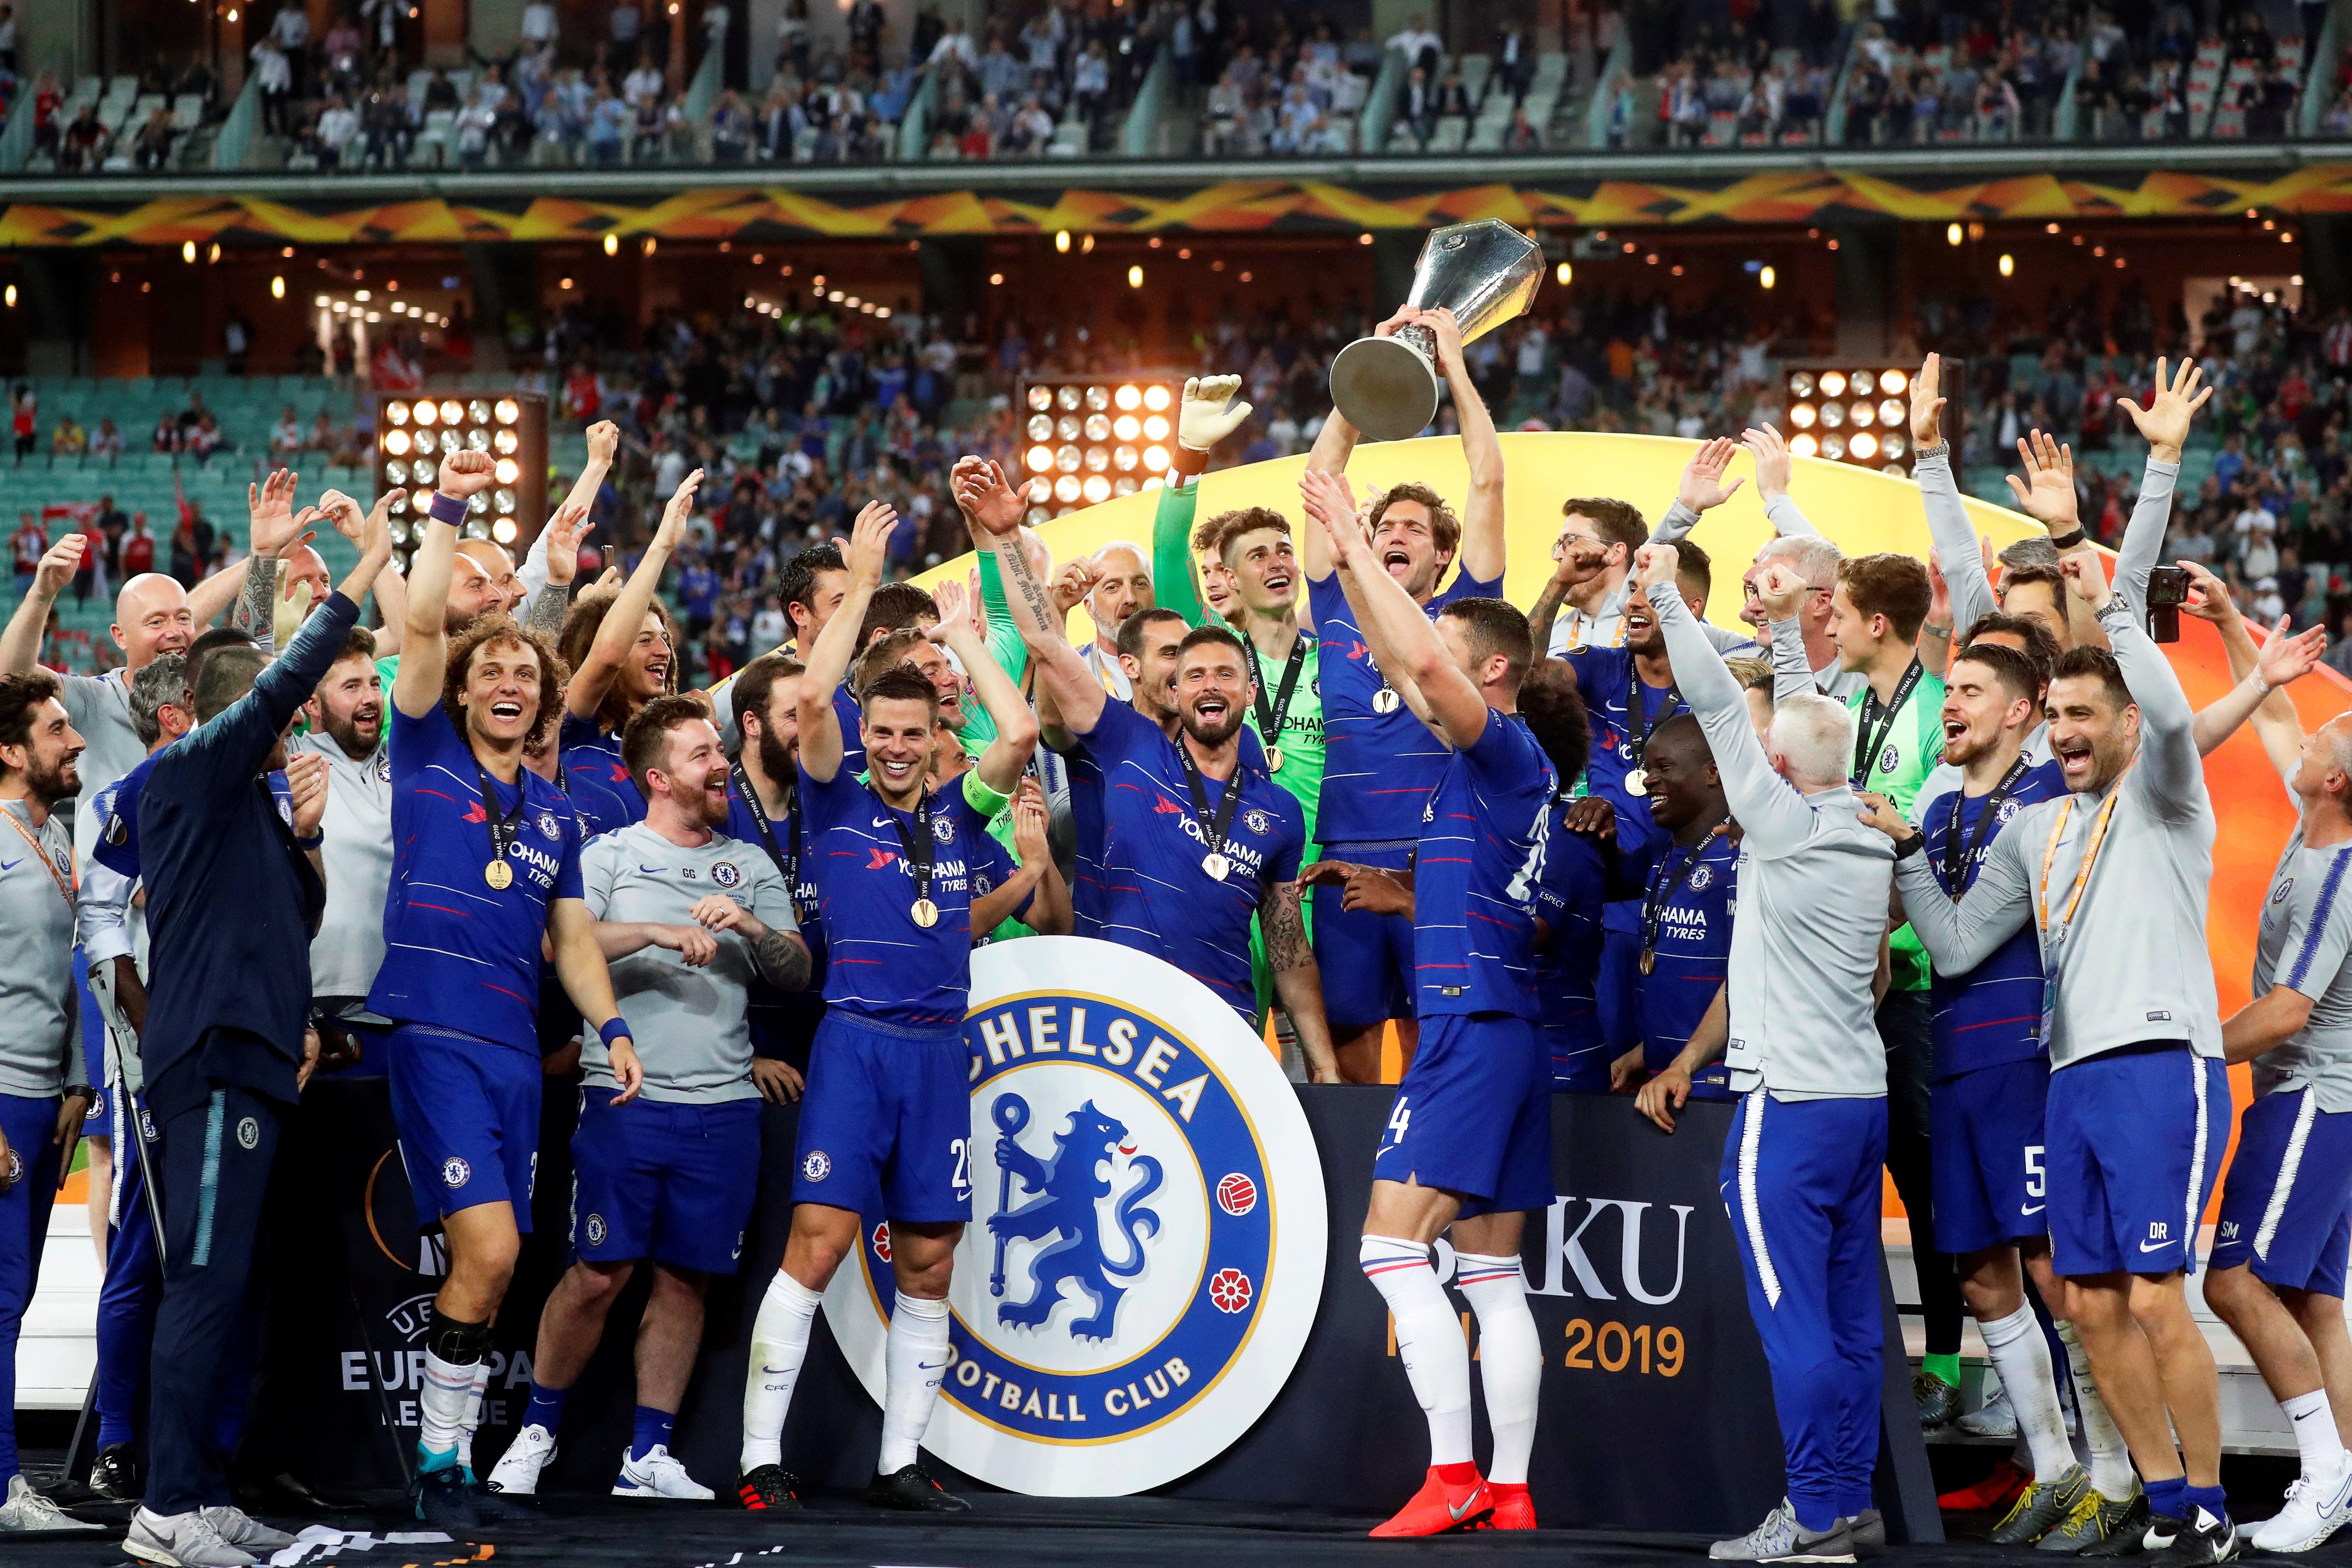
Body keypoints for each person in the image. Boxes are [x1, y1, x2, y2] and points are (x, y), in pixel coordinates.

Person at [1874, 546, 2320, 1562]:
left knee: (2153, 1293)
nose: (2069, 729)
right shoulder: (2034, 830)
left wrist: (2110, 565)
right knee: (2087, 1299)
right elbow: (1952, 945)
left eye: (2087, 714)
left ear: (2126, 727)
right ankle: (2158, 1496)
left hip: (2160, 1068)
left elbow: (2169, 712)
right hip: (2067, 1077)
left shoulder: (2167, 797)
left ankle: (2205, 1504)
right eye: (2060, 714)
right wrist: (1902, 847)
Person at [735, 499, 1036, 1514]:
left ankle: (899, 1462)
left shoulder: (958, 814)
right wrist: (863, 584)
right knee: (817, 1245)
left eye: (915, 731)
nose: (900, 747)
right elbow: (812, 701)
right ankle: (759, 1460)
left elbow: (1021, 731)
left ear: (936, 731)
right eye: (885, 732)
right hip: (856, 1047)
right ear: (864, 734)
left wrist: (962, 641)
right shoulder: (835, 798)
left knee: (929, 1260)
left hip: (939, 1054)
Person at [1302, 465, 1581, 1535]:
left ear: (1493, 670)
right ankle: (1510, 1490)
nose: (1424, 662)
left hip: (1468, 1028)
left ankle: (1452, 1475)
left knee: (1388, 1249)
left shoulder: (1501, 753)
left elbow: (1417, 657)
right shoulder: (1501, 771)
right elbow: (1400, 658)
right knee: (1492, 1273)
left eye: (1449, 648)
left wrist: (1350, 540)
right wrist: (1352, 569)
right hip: (1507, 1027)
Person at [371, 449, 644, 1530]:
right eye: (491, 671)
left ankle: (444, 1454)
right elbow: (423, 624)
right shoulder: (423, 753)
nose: (507, 685)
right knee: (487, 1249)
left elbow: (571, 939)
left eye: (524, 676)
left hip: (515, 1052)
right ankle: (439, 1460)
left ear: (541, 702)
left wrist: (610, 1024)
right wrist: (447, 506)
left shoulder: (558, 815)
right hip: (433, 1030)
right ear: (465, 689)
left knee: (501, 1261)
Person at [124, 498, 392, 1568]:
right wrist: (362, 571)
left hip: (258, 1059)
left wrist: (311, 834)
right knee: (202, 1285)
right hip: (215, 1058)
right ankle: (164, 1510)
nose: (290, 727)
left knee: (230, 1284)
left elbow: (300, 921)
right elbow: (282, 682)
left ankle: (201, 1487)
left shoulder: (253, 809)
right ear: (231, 715)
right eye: (273, 714)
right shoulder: (189, 773)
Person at [1645, 545, 1894, 1565]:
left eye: (1763, 753)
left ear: (1777, 770)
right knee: (1850, 1318)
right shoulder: (1866, 824)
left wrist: (1664, 596)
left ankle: (1813, 1513)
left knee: (1794, 1323)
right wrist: (1790, 634)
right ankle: (1850, 1502)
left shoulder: (1781, 830)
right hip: (1859, 1102)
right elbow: (1801, 714)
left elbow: (1713, 701)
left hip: (1785, 1109)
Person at [493, 697, 808, 1504]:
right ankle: (537, 1434)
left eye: (719, 751)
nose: (722, 765)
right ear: (659, 778)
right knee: (599, 1275)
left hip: (725, 1105)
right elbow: (556, 943)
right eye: (703, 755)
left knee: (685, 1280)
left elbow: (797, 969)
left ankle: (649, 1455)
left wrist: (749, 925)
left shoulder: (750, 863)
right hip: (625, 1096)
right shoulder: (608, 855)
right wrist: (655, 932)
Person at [965, 457, 1337, 1075]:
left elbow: (1288, 948)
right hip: (1126, 1016)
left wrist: (1324, 1065)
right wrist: (1006, 537)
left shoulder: (1276, 807)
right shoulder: (1126, 740)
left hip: (1227, 1027)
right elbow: (1047, 647)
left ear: (1251, 691)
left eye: (1226, 675)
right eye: (1192, 672)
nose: (1208, 685)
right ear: (1174, 686)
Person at [1, 529, 243, 1279]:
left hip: (195, 954)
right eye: (155, 621)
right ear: (118, 637)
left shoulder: (210, 711)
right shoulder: (93, 700)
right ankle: (123, 1288)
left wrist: (260, 559)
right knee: (112, 1141)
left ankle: (154, 1289)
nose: (174, 632)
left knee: (175, 1136)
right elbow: (10, 677)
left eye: (183, 619)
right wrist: (43, 593)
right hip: (116, 955)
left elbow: (199, 626)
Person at [1302, 304, 1507, 1083]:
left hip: (1436, 861)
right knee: (1353, 1053)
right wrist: (1371, 374)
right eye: (1385, 524)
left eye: (1415, 528)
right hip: (1344, 859)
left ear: (1444, 554)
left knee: (1436, 1052)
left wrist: (1451, 367)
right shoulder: (1337, 601)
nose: (1394, 534)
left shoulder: (1466, 614)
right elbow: (1322, 474)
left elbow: (1487, 478)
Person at [2196, 612, 2352, 1553]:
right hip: (2326, 1101)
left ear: (2334, 780)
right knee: (2315, 1300)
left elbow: (2288, 1011)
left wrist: (2187, 1052)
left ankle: (2325, 1477)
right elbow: (2277, 721)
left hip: (2313, 1095)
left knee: (2235, 1280)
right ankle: (2347, 1476)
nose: (2310, 734)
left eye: (2327, 737)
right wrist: (2229, 624)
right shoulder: (2319, 818)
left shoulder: (2339, 874)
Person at [0, 671, 99, 1537]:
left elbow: (66, 977)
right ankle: (3, 1485)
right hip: (1, 1099)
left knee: (17, 1294)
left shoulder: (55, 837)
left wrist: (76, 1083)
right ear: (10, 750)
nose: (76, 741)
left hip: (45, 1100)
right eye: (57, 729)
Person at [1616, 713, 1739, 1108]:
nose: (1648, 780)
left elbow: (1748, 980)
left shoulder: (1742, 855)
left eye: (1664, 767)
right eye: (1648, 769)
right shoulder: (1662, 849)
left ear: (1712, 772)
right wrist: (1646, 1051)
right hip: (1665, 1077)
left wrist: (1688, 1063)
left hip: (1719, 1082)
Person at [725, 653, 824, 1081]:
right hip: (743, 1053)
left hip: (820, 1043)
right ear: (752, 724)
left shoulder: (825, 807)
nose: (809, 729)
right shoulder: (715, 811)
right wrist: (742, 1060)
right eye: (793, 716)